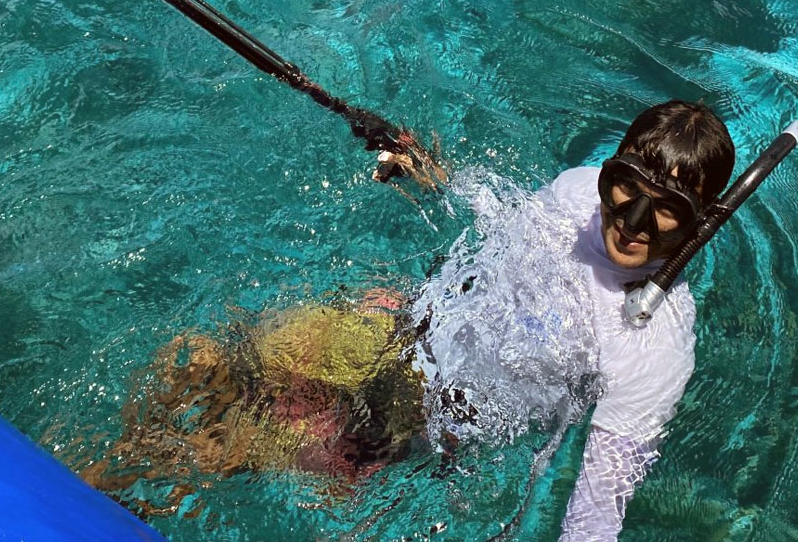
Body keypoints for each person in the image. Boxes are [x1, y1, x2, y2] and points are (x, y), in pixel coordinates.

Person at [85, 99, 735, 540]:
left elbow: (599, 500)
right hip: (393, 320)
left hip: (415, 417)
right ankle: (88, 478)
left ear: (699, 220)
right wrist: (429, 175)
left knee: (216, 451)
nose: (630, 223)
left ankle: (69, 502)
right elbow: (497, 222)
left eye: (666, 210)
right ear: (608, 172)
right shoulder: (575, 189)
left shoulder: (651, 345)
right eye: (624, 188)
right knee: (201, 359)